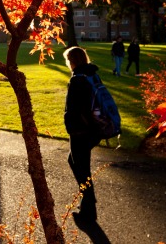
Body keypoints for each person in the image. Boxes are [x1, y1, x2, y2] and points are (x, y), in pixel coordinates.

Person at [63, 46, 102, 222]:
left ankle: (89, 209)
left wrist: (70, 127)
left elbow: (73, 109)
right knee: (75, 162)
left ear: (72, 61)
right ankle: (88, 200)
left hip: (80, 130)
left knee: (81, 167)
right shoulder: (91, 74)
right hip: (93, 129)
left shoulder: (78, 79)